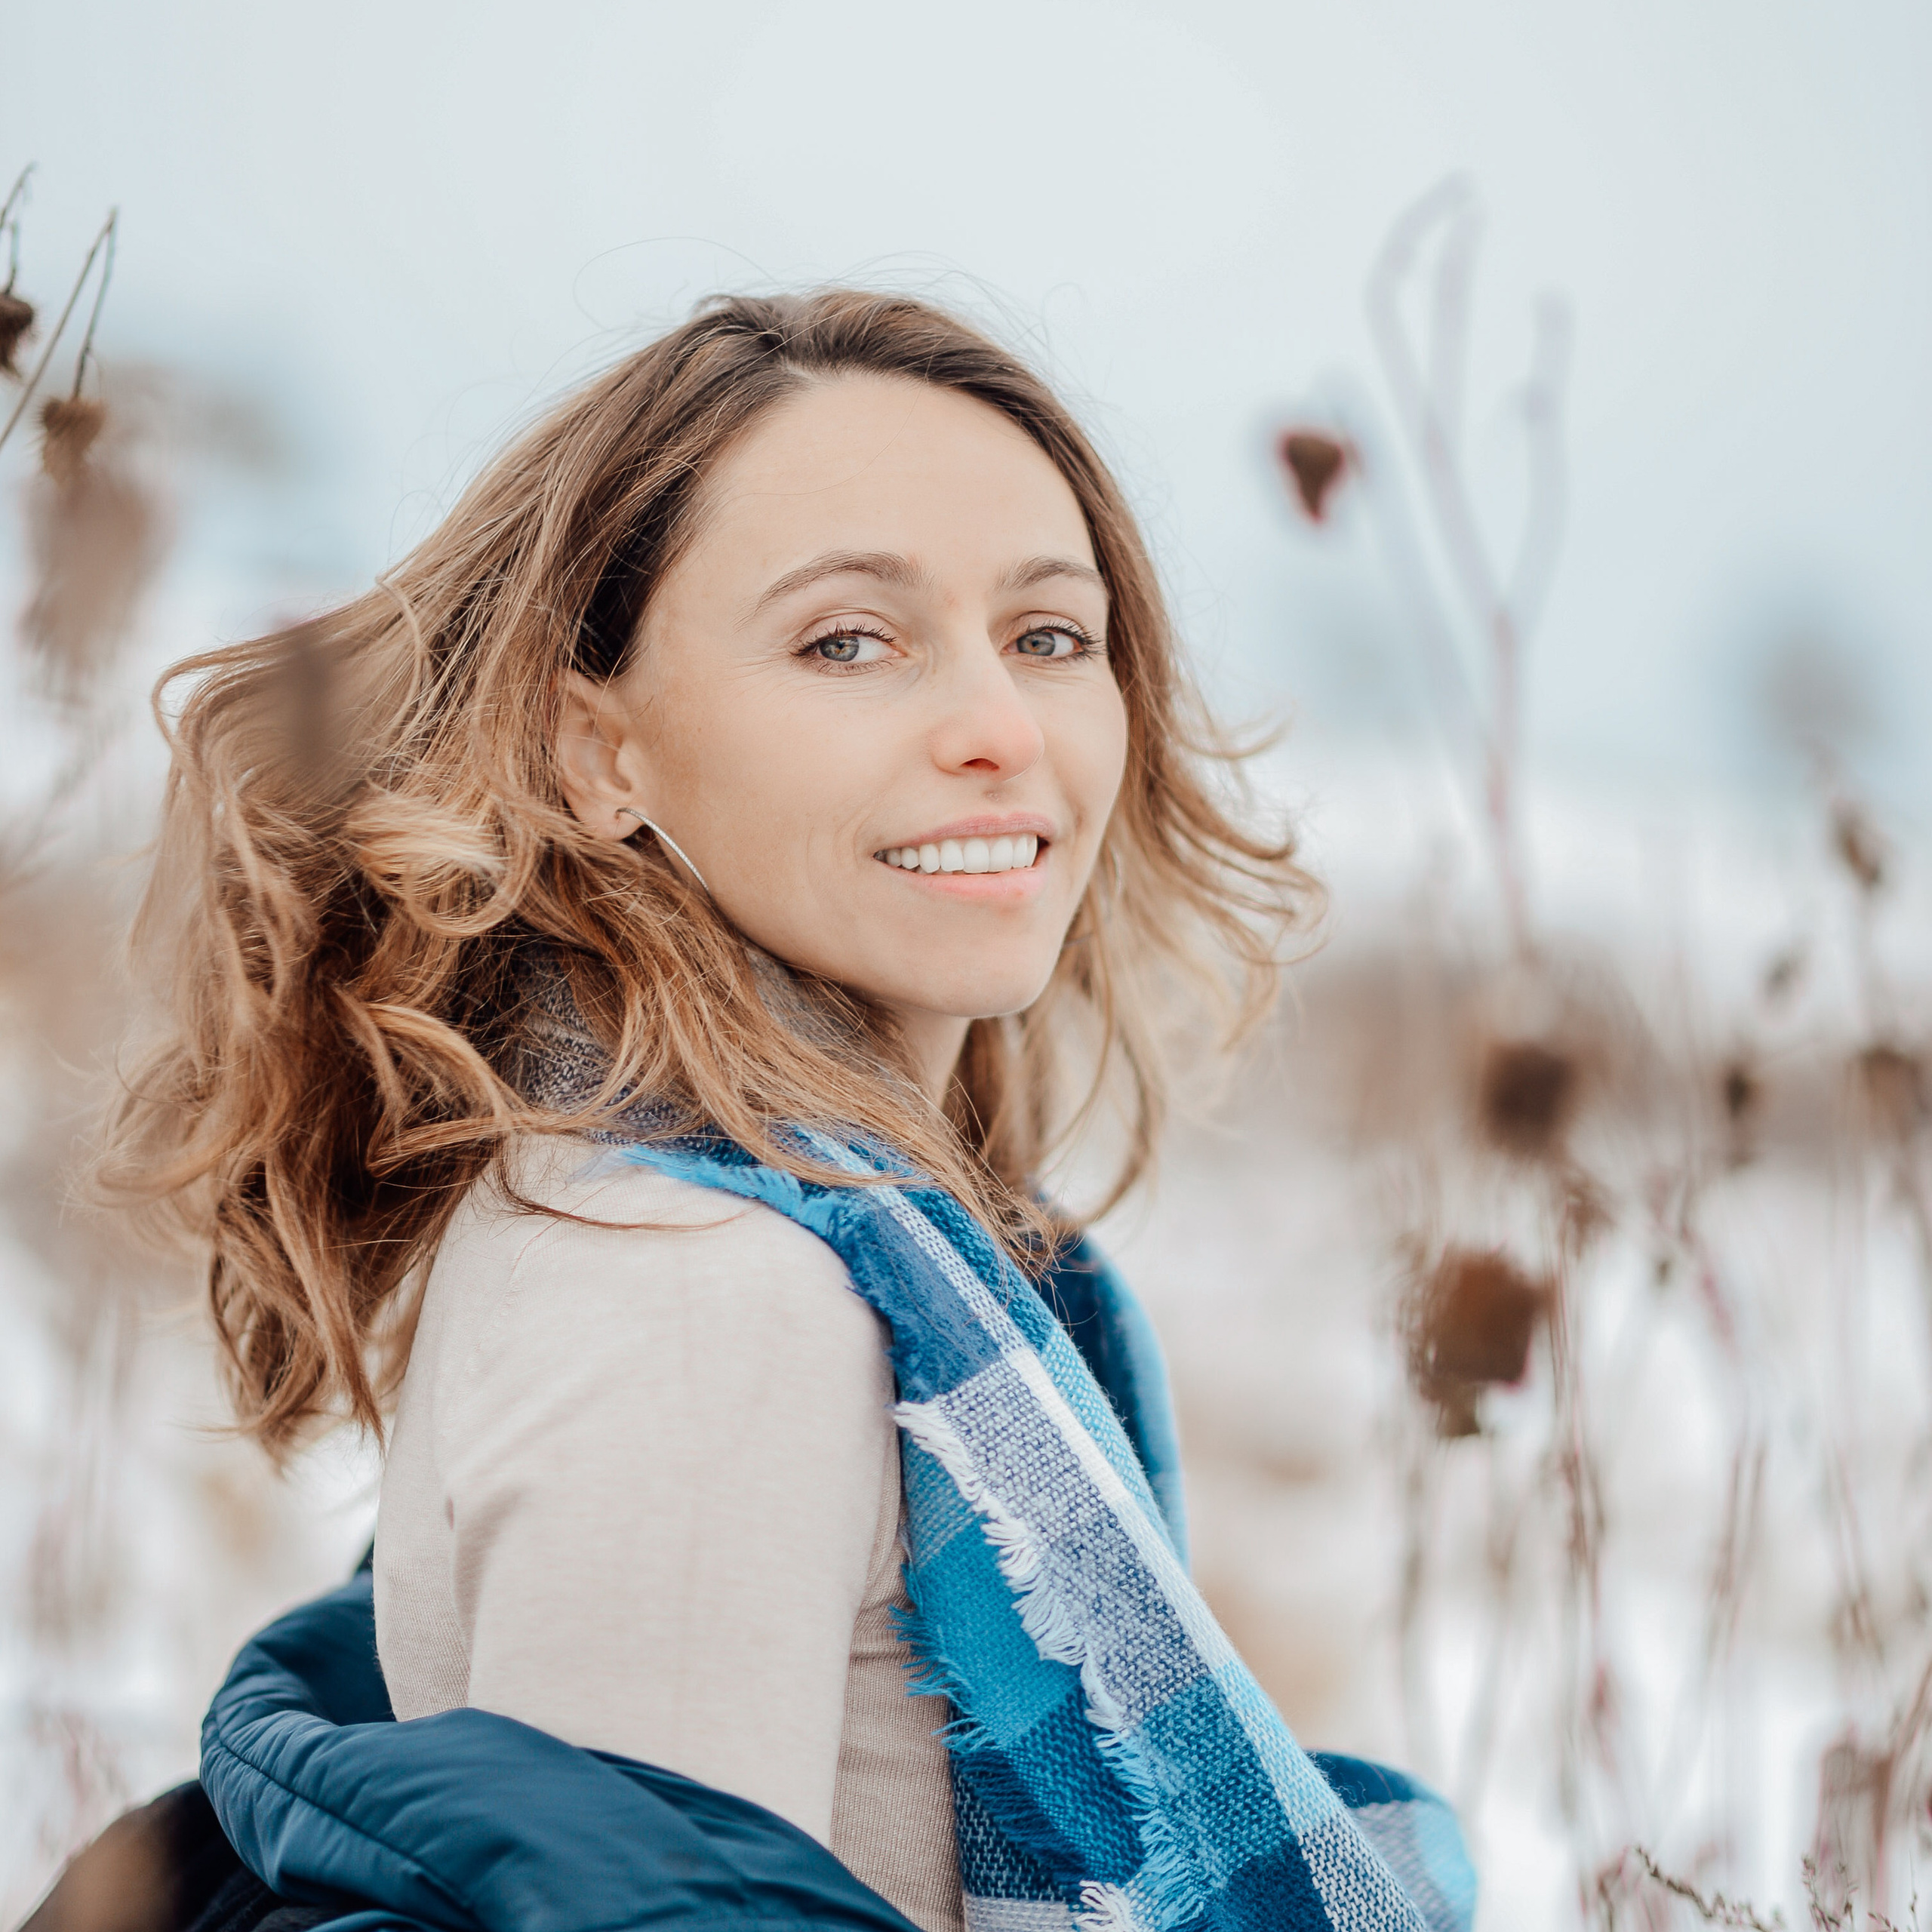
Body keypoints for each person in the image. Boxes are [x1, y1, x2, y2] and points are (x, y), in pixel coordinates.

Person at [93, 291, 1475, 1932]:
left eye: (1046, 636)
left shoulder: (782, 1230)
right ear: (595, 748)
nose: (998, 729)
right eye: (847, 640)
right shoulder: (697, 1284)